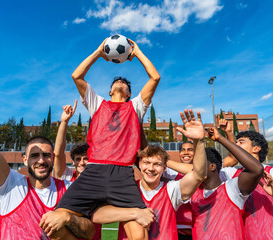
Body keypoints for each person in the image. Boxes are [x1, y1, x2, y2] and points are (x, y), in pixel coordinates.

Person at [0, 68, 95, 240]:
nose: (41, 160)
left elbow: (89, 231)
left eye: (46, 155)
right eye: (34, 155)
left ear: (53, 158)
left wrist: (68, 217)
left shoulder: (68, 188)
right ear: (25, 159)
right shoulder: (10, 184)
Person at [56, 38, 160, 240]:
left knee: (140, 236)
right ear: (110, 91)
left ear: (129, 94)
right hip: (93, 171)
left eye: (125, 84)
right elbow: (76, 76)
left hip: (123, 174)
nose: (120, 83)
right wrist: (98, 52)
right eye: (116, 82)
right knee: (57, 221)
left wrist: (137, 52)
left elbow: (154, 78)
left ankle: (131, 213)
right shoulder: (97, 104)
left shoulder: (136, 107)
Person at [117, 109, 208, 240]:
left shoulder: (171, 190)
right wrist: (133, 214)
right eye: (147, 163)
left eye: (157, 164)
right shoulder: (127, 189)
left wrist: (199, 142)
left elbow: (199, 175)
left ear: (165, 167)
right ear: (140, 164)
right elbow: (99, 214)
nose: (151, 168)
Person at [53, 101, 102, 240]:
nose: (82, 162)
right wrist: (64, 122)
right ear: (73, 161)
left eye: (85, 158)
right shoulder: (68, 177)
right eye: (78, 159)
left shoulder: (99, 181)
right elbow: (58, 153)